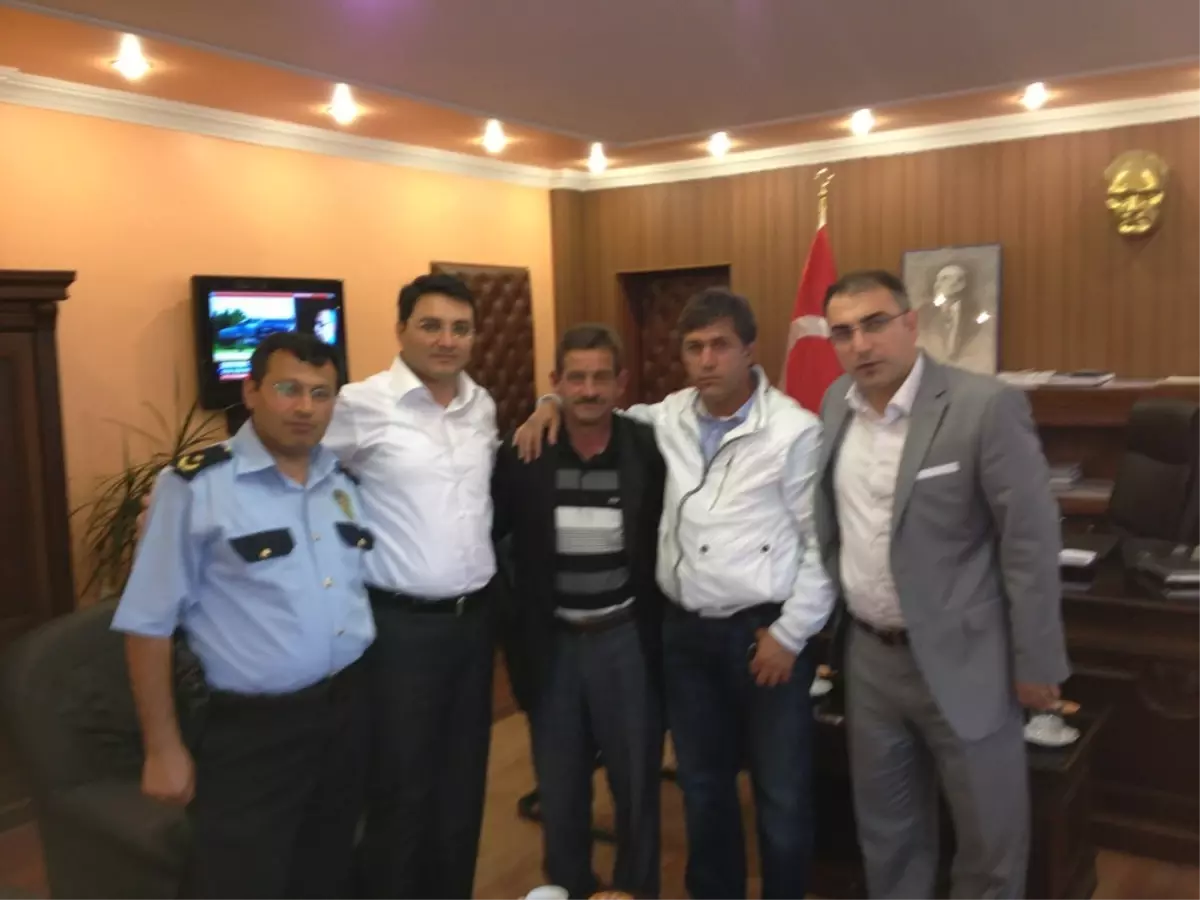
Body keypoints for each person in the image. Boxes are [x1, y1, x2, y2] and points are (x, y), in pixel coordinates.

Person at [516, 289, 834, 900]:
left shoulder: (794, 431)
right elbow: (592, 404)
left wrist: (791, 635)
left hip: (764, 635)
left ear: (749, 350)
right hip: (684, 635)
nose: (707, 360)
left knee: (782, 793)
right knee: (703, 787)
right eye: (694, 347)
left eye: (720, 345)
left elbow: (822, 545)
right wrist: (547, 403)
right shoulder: (664, 419)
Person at [815, 269, 1069, 900]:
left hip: (968, 659)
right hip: (869, 660)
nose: (860, 345)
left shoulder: (984, 406)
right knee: (888, 836)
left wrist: (1037, 662)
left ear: (911, 323)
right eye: (843, 332)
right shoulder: (834, 405)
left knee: (989, 843)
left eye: (875, 324)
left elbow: (1030, 542)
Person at [113, 332, 375, 900]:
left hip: (346, 715)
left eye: (320, 393)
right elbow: (147, 622)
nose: (304, 407)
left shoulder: (344, 483)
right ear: (251, 391)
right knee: (238, 879)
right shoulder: (194, 486)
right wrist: (162, 748)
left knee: (328, 869)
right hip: (252, 734)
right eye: (287, 389)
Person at [323, 273, 498, 900]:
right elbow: (281, 446)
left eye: (459, 328)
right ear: (401, 330)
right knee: (400, 788)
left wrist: (554, 402)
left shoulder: (482, 405)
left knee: (463, 786)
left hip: (474, 626)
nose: (446, 340)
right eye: (431, 325)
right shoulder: (360, 404)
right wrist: (186, 488)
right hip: (400, 630)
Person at [493, 324, 666, 900]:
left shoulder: (648, 449)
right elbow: (489, 541)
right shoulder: (525, 452)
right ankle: (568, 887)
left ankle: (636, 890)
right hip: (553, 644)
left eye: (600, 377)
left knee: (636, 783)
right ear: (557, 382)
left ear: (621, 383)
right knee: (560, 785)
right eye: (575, 378)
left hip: (626, 639)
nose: (588, 390)